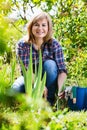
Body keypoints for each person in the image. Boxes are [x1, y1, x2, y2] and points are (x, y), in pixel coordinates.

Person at [12, 11, 67, 106]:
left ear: (48, 27)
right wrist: (40, 85)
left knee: (50, 64)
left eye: (43, 25)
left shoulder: (54, 44)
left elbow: (62, 71)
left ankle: (48, 102)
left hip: (49, 79)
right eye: (36, 25)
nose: (40, 28)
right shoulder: (22, 44)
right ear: (31, 27)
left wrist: (60, 89)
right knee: (14, 90)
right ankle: (29, 102)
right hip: (30, 78)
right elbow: (25, 70)